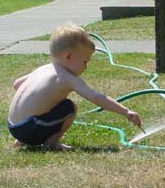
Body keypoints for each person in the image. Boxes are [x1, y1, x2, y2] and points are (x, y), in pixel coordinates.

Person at [8, 24, 142, 150]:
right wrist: (125, 111)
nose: (86, 67)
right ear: (69, 56)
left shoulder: (43, 69)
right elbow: (96, 97)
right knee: (69, 107)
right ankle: (52, 143)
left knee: (55, 105)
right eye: (85, 61)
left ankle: (21, 140)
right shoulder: (67, 78)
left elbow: (17, 84)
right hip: (30, 129)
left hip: (13, 127)